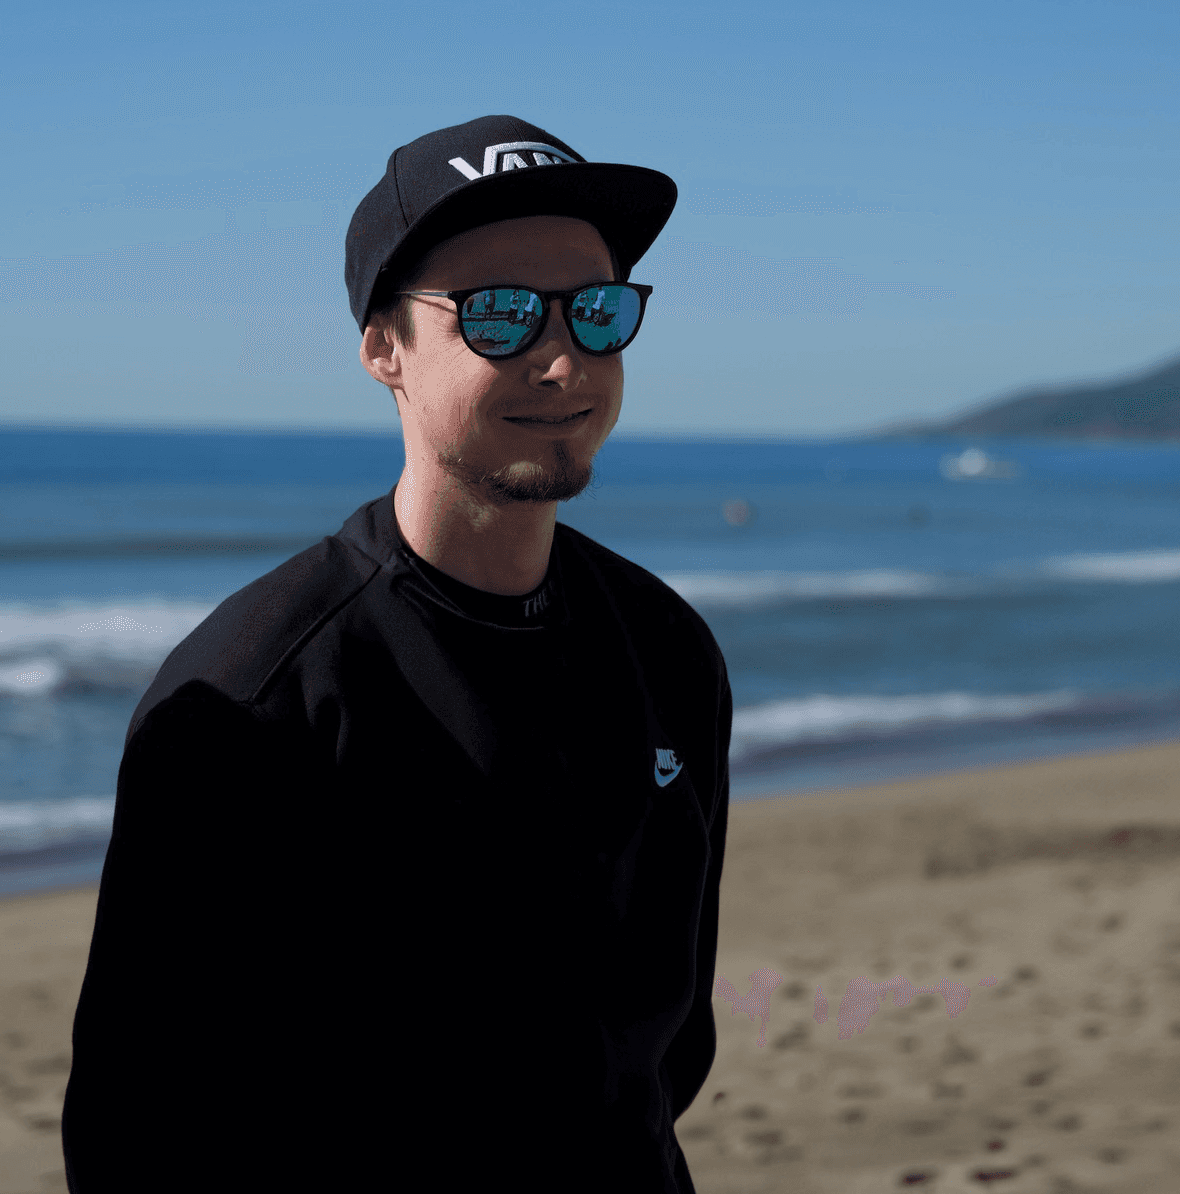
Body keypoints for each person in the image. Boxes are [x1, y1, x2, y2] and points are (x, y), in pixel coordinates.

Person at [61, 115, 733, 1192]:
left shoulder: (668, 650)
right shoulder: (255, 694)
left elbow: (670, 1038)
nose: (563, 361)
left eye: (597, 313)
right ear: (384, 349)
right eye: (501, 315)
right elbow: (138, 1130)